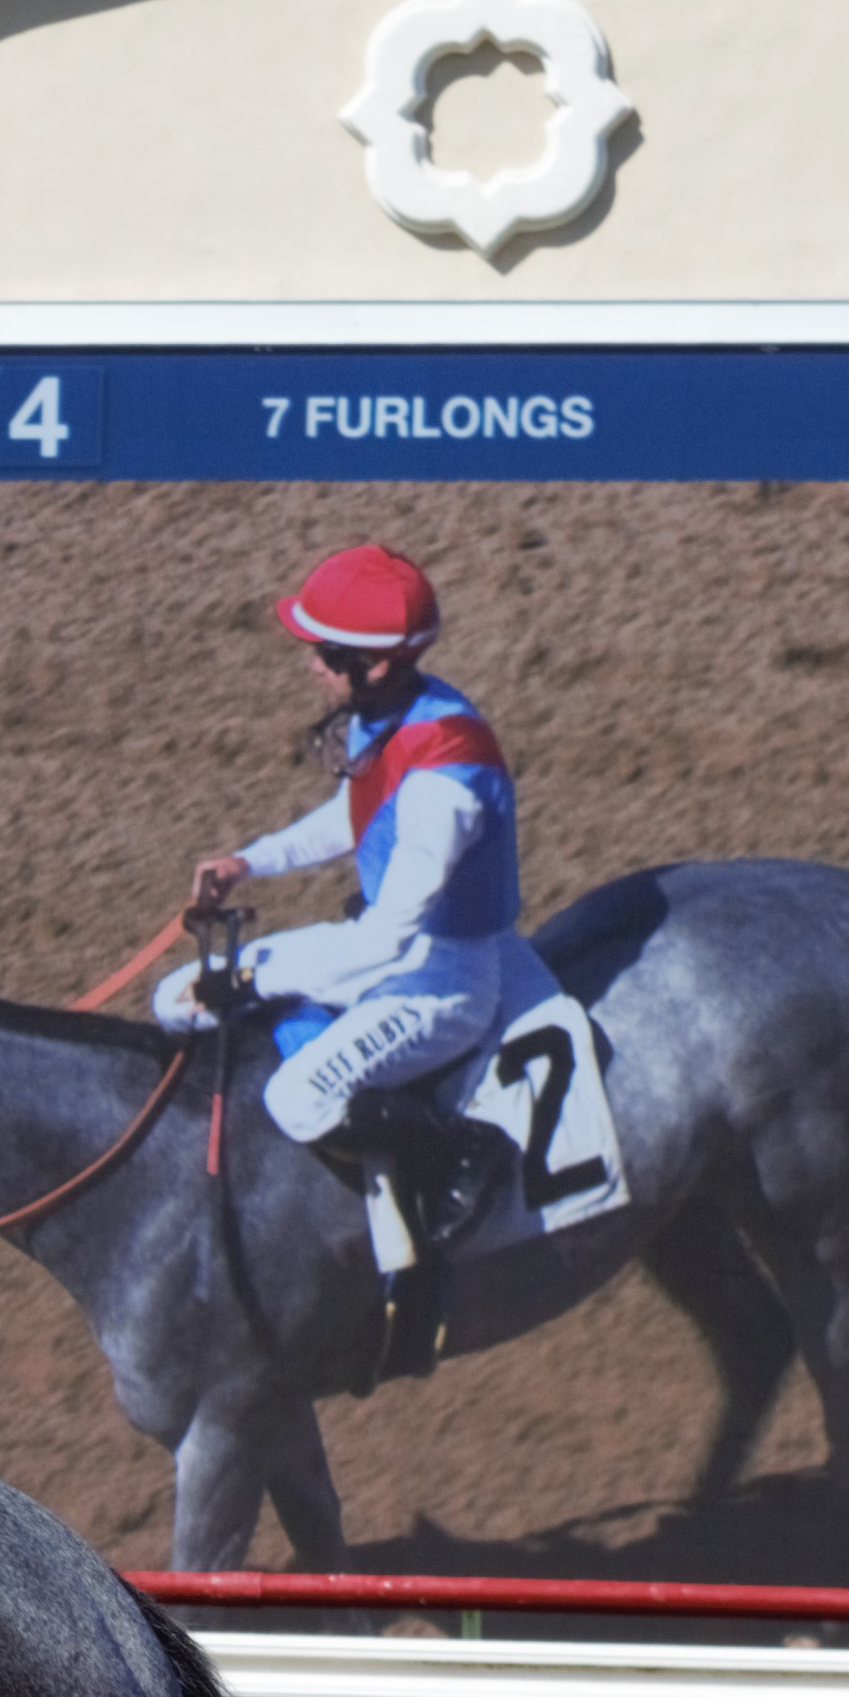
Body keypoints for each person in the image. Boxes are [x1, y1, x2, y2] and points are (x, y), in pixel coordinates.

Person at [174, 542, 551, 1278]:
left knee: (299, 1097)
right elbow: (356, 815)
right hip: (387, 952)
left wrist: (258, 982)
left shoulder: (448, 776)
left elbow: (388, 934)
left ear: (372, 665)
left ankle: (459, 1153)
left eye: (321, 651)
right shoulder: (387, 711)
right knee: (175, 1003)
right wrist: (250, 860)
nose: (309, 663)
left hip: (442, 982)